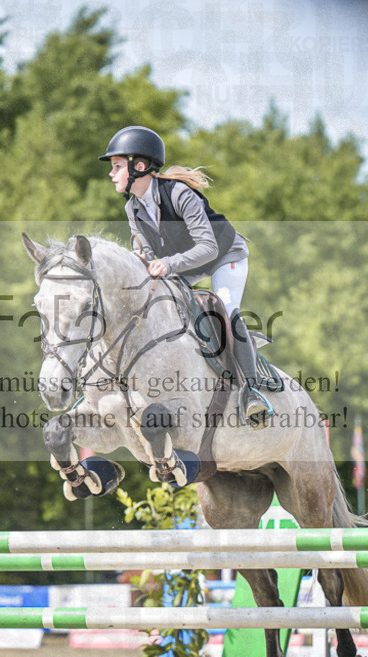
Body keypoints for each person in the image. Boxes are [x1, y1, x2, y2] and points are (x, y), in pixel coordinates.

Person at [99, 125, 273, 429]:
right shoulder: (133, 207)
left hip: (224, 255)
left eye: (116, 167)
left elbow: (208, 247)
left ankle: (252, 390)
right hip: (185, 263)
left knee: (227, 310)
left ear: (139, 167)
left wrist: (165, 263)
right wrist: (144, 259)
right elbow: (146, 250)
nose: (112, 174)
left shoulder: (178, 193)